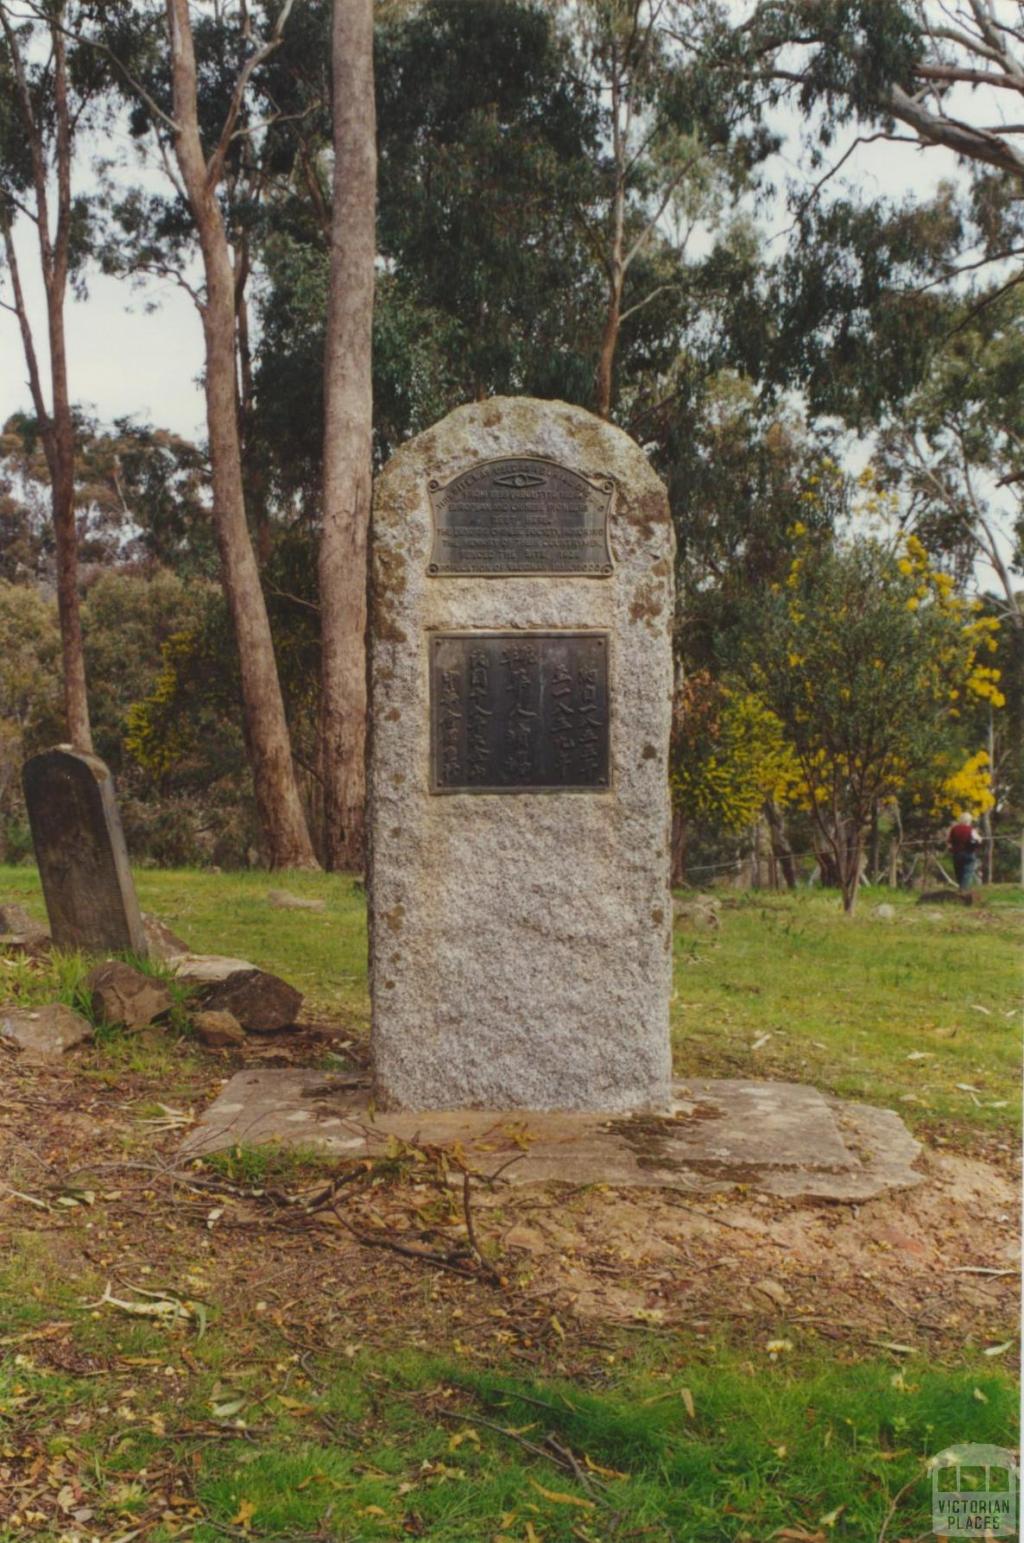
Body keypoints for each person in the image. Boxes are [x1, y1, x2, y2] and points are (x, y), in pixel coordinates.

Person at [948, 811, 982, 892]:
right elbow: (978, 840)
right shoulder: (970, 830)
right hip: (968, 853)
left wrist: (952, 850)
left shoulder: (954, 829)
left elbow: (949, 842)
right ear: (969, 821)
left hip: (957, 854)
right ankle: (963, 890)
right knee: (967, 872)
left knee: (959, 873)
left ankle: (960, 888)